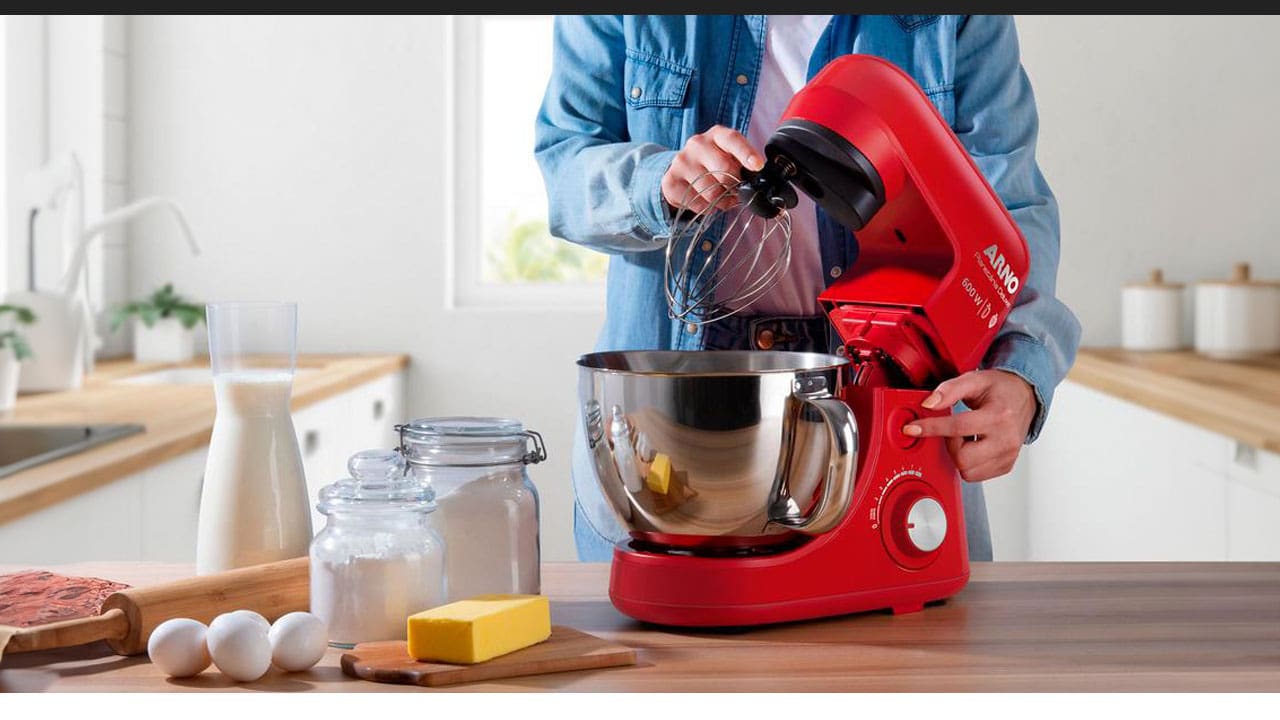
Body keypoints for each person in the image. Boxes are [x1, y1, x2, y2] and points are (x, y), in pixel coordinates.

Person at [535, 15, 1081, 562]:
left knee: (917, 639)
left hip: (885, 382)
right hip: (666, 408)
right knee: (665, 641)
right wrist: (657, 183)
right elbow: (565, 164)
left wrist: (1019, 372)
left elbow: (1010, 207)